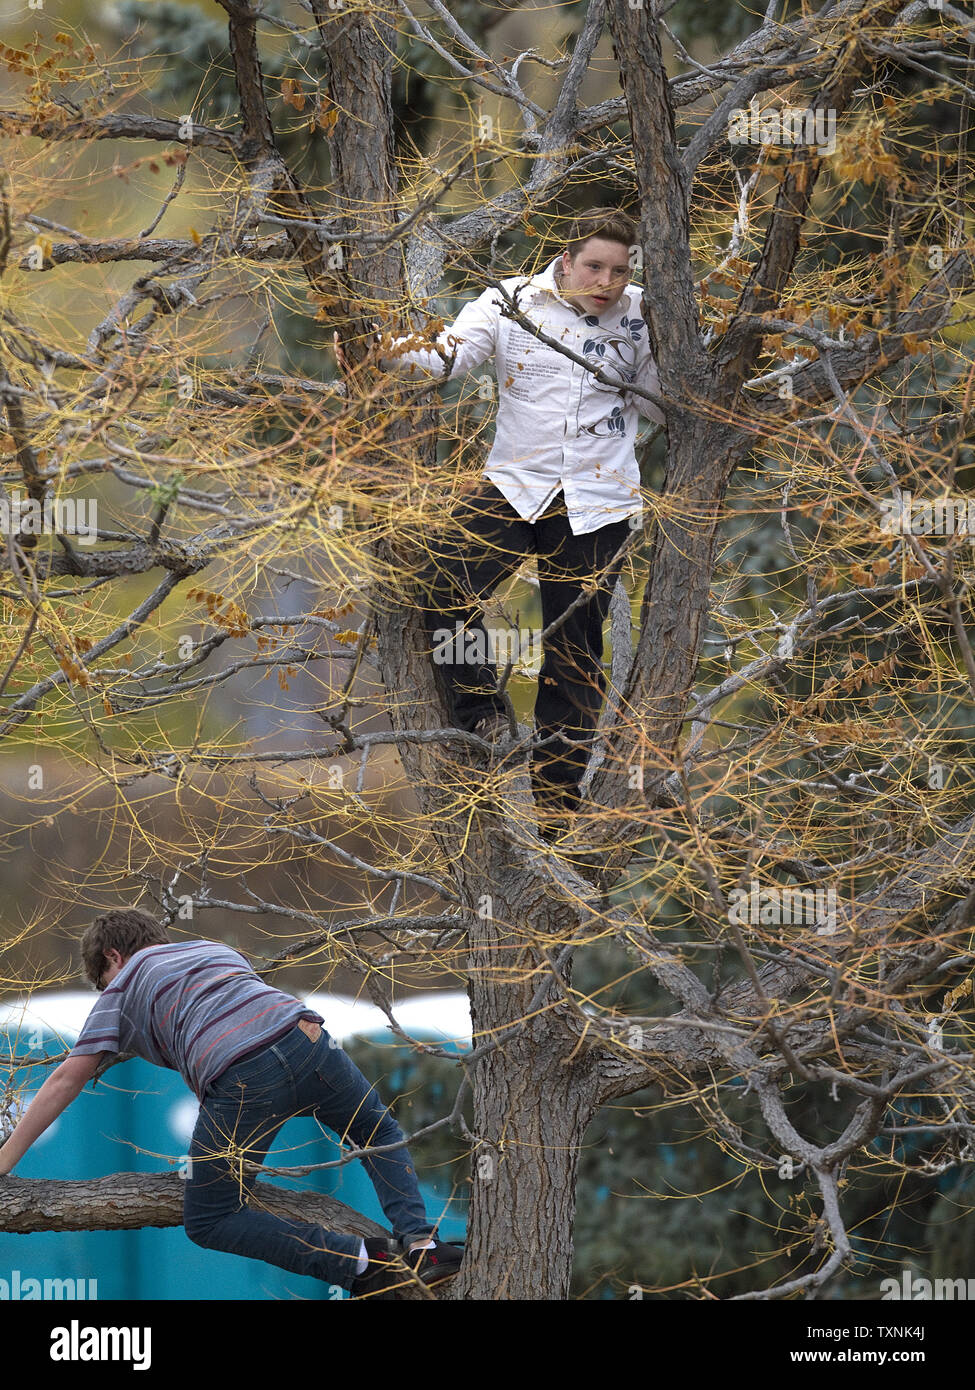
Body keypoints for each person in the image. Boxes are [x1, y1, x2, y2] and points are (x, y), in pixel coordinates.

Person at [361, 206, 666, 829]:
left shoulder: (644, 315)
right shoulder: (510, 301)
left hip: (597, 501)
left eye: (618, 269)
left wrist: (676, 356)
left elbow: (663, 407)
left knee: (573, 651)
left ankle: (557, 808)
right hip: (515, 484)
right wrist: (380, 349)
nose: (606, 281)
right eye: (594, 266)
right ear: (563, 259)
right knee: (443, 581)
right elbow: (450, 357)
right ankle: (482, 715)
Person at [0, 908, 463, 1300]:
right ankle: (423, 1243)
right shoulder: (214, 950)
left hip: (243, 1075)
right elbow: (235, 1007)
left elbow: (64, 1080)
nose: (107, 991)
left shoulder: (121, 990)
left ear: (113, 958)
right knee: (377, 1132)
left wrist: (5, 1160)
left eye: (103, 981)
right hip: (309, 1038)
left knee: (211, 1217)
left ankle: (363, 1263)